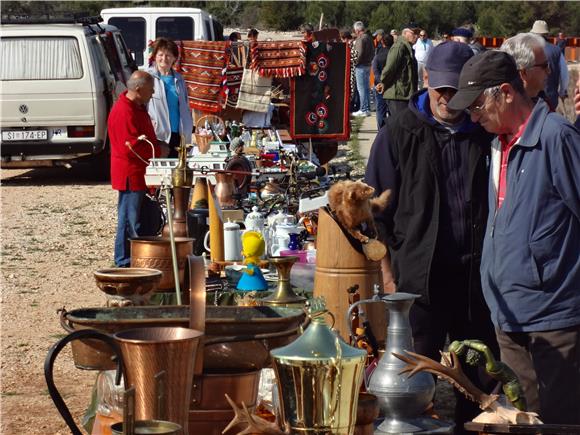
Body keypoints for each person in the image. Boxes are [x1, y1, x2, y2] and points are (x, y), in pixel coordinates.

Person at [365, 41, 497, 434]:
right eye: (441, 89)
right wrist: (388, 274)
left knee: (479, 382)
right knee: (411, 386)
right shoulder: (399, 132)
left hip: (475, 279)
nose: (448, 98)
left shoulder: (482, 131)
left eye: (457, 90)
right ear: (425, 80)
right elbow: (375, 212)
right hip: (419, 281)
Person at [448, 50, 580, 425]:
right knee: (522, 417)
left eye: (476, 106)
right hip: (507, 313)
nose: (472, 117)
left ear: (505, 92)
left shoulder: (556, 138)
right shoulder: (496, 142)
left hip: (553, 317)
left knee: (558, 422)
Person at [108, 71, 166, 268]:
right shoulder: (124, 110)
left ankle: (139, 258)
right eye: (150, 90)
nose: (152, 93)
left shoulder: (136, 107)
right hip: (131, 173)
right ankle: (123, 261)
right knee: (128, 220)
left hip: (141, 172)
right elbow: (131, 145)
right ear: (139, 89)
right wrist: (158, 150)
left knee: (142, 219)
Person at [146, 38, 193, 158]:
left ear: (174, 58)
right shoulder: (148, 77)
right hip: (158, 134)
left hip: (178, 133)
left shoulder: (179, 79)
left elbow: (185, 106)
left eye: (168, 55)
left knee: (177, 171)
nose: (164, 58)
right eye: (160, 55)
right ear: (155, 56)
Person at [377, 25, 418, 119]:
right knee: (400, 125)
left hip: (404, 94)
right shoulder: (399, 47)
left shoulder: (407, 48)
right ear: (405, 33)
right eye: (414, 33)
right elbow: (389, 68)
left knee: (403, 125)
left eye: (418, 33)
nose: (417, 36)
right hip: (397, 95)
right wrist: (383, 82)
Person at [530, 20, 569, 110]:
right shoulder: (556, 51)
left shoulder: (526, 49)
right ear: (546, 34)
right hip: (550, 99)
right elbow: (564, 76)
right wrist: (562, 92)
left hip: (529, 99)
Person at [499, 33, 550, 101]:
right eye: (544, 66)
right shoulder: (500, 110)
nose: (549, 71)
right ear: (524, 73)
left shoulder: (544, 104)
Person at [371, 32, 393, 129]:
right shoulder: (395, 56)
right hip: (392, 86)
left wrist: (380, 82)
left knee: (380, 109)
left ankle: (381, 130)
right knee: (392, 110)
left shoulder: (378, 56)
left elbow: (375, 71)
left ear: (382, 42)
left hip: (379, 86)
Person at [352, 21, 374, 117]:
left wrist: (355, 63)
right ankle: (367, 108)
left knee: (361, 89)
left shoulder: (361, 39)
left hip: (361, 66)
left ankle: (363, 109)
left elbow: (359, 53)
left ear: (357, 30)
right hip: (368, 65)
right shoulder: (369, 38)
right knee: (366, 88)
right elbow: (373, 51)